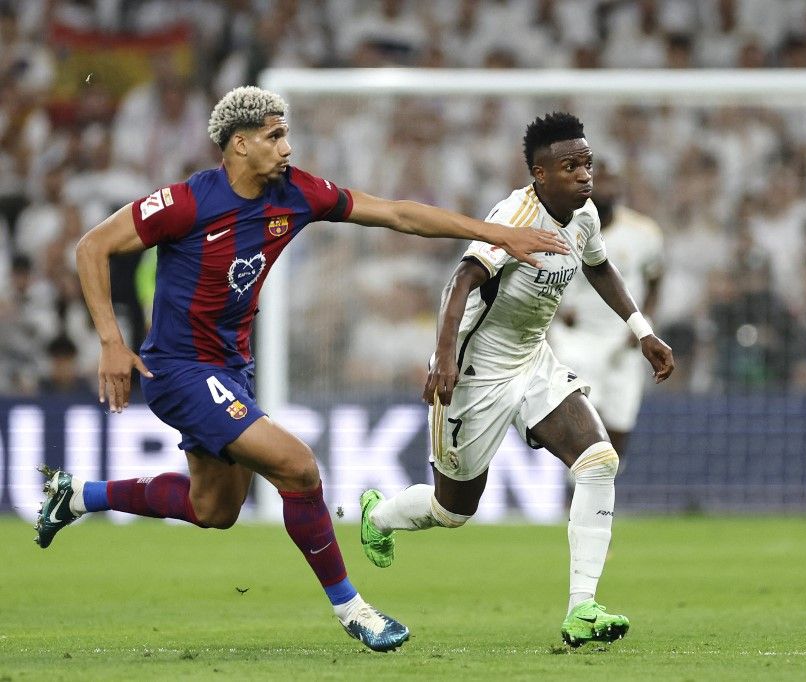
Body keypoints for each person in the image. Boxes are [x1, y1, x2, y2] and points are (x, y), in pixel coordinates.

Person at [34, 86, 568, 653]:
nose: (287, 147)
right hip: (180, 369)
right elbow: (92, 247)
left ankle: (77, 496)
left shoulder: (297, 193)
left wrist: (493, 232)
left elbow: (396, 213)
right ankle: (354, 611)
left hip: (232, 368)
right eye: (274, 136)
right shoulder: (188, 202)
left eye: (285, 134)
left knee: (212, 509)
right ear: (238, 145)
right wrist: (112, 343)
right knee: (299, 468)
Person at [357, 113, 675, 647]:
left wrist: (642, 330)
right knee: (452, 511)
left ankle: (583, 608)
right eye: (570, 166)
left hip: (533, 359)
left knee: (599, 462)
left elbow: (598, 267)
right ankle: (380, 515)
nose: (584, 176)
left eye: (587, 165)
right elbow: (462, 278)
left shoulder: (585, 215)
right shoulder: (515, 216)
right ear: (540, 173)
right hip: (476, 373)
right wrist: (442, 357)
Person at [548, 159, 664, 463]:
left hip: (622, 340)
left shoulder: (644, 232)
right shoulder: (562, 227)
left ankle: (597, 491)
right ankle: (576, 492)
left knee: (620, 426)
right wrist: (559, 311)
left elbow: (654, 282)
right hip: (577, 338)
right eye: (603, 180)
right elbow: (543, 275)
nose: (609, 187)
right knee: (585, 423)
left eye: (614, 181)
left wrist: (643, 325)